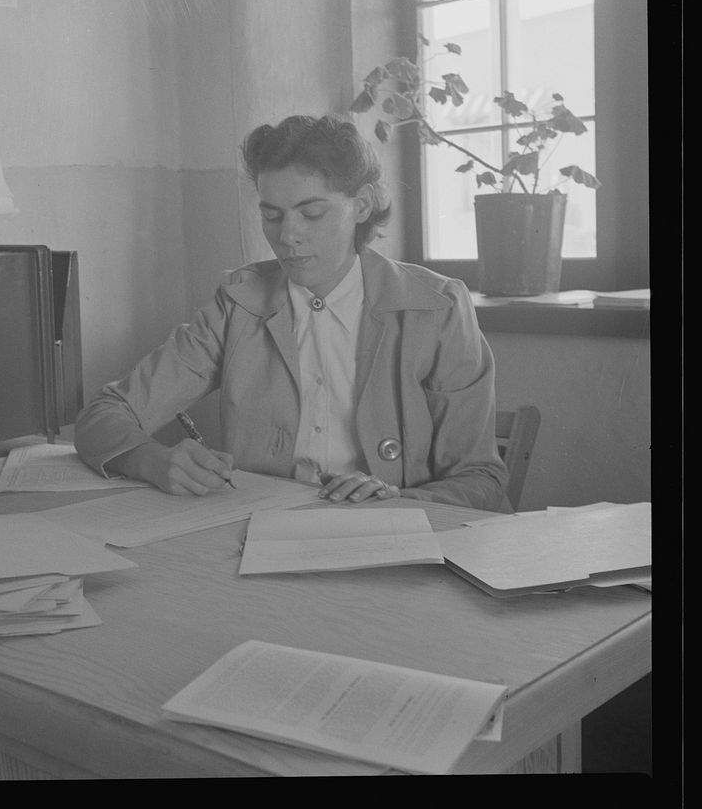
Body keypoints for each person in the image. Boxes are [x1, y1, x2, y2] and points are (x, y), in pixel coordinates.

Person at [74, 114, 508, 512]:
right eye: (271, 215)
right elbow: (106, 414)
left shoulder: (438, 308)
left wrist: (399, 501)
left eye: (312, 213)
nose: (288, 237)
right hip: (254, 534)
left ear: (361, 206)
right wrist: (153, 460)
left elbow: (482, 480)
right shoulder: (238, 302)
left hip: (395, 545)